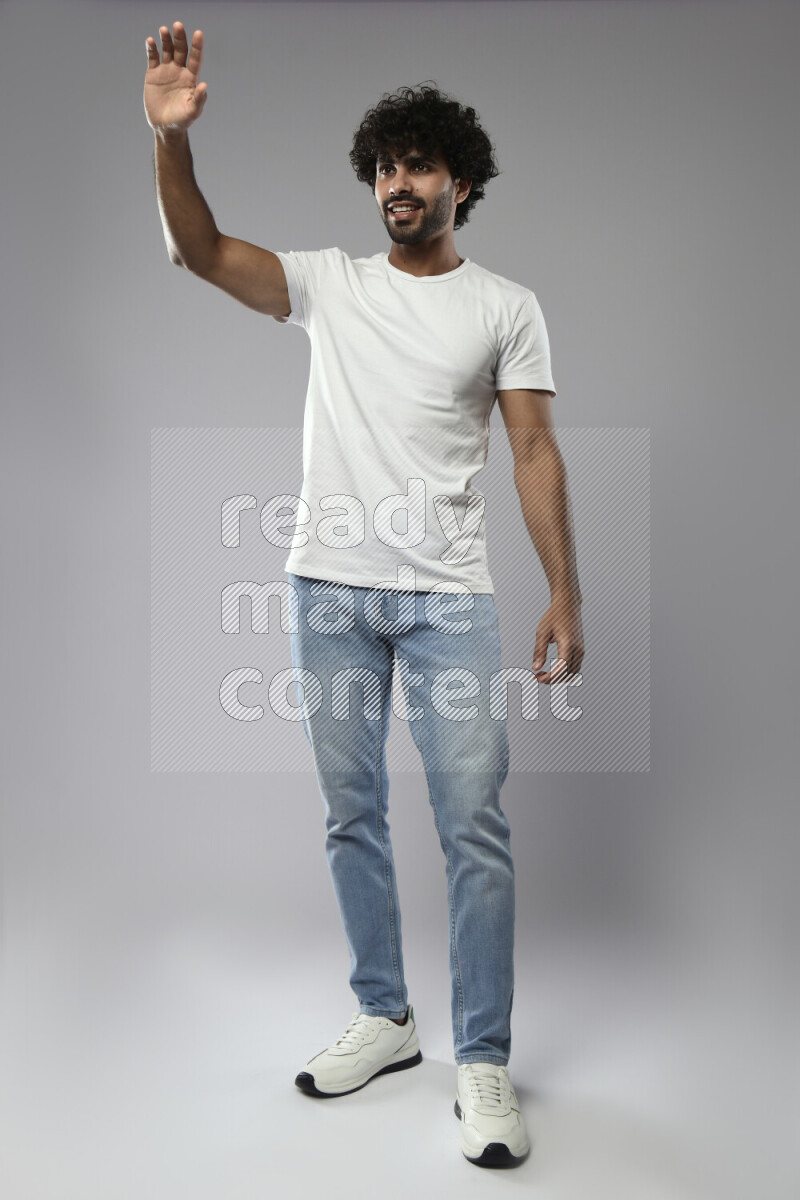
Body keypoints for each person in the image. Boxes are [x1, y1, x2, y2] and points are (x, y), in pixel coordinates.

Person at [144, 20, 584, 1168]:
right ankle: (385, 1019)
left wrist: (562, 594)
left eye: (418, 165)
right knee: (351, 815)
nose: (398, 182)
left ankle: (480, 1059)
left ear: (460, 183)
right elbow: (200, 250)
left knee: (472, 823)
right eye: (385, 166)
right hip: (327, 595)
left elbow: (533, 450)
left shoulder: (504, 306)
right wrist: (170, 141)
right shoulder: (328, 287)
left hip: (447, 602)